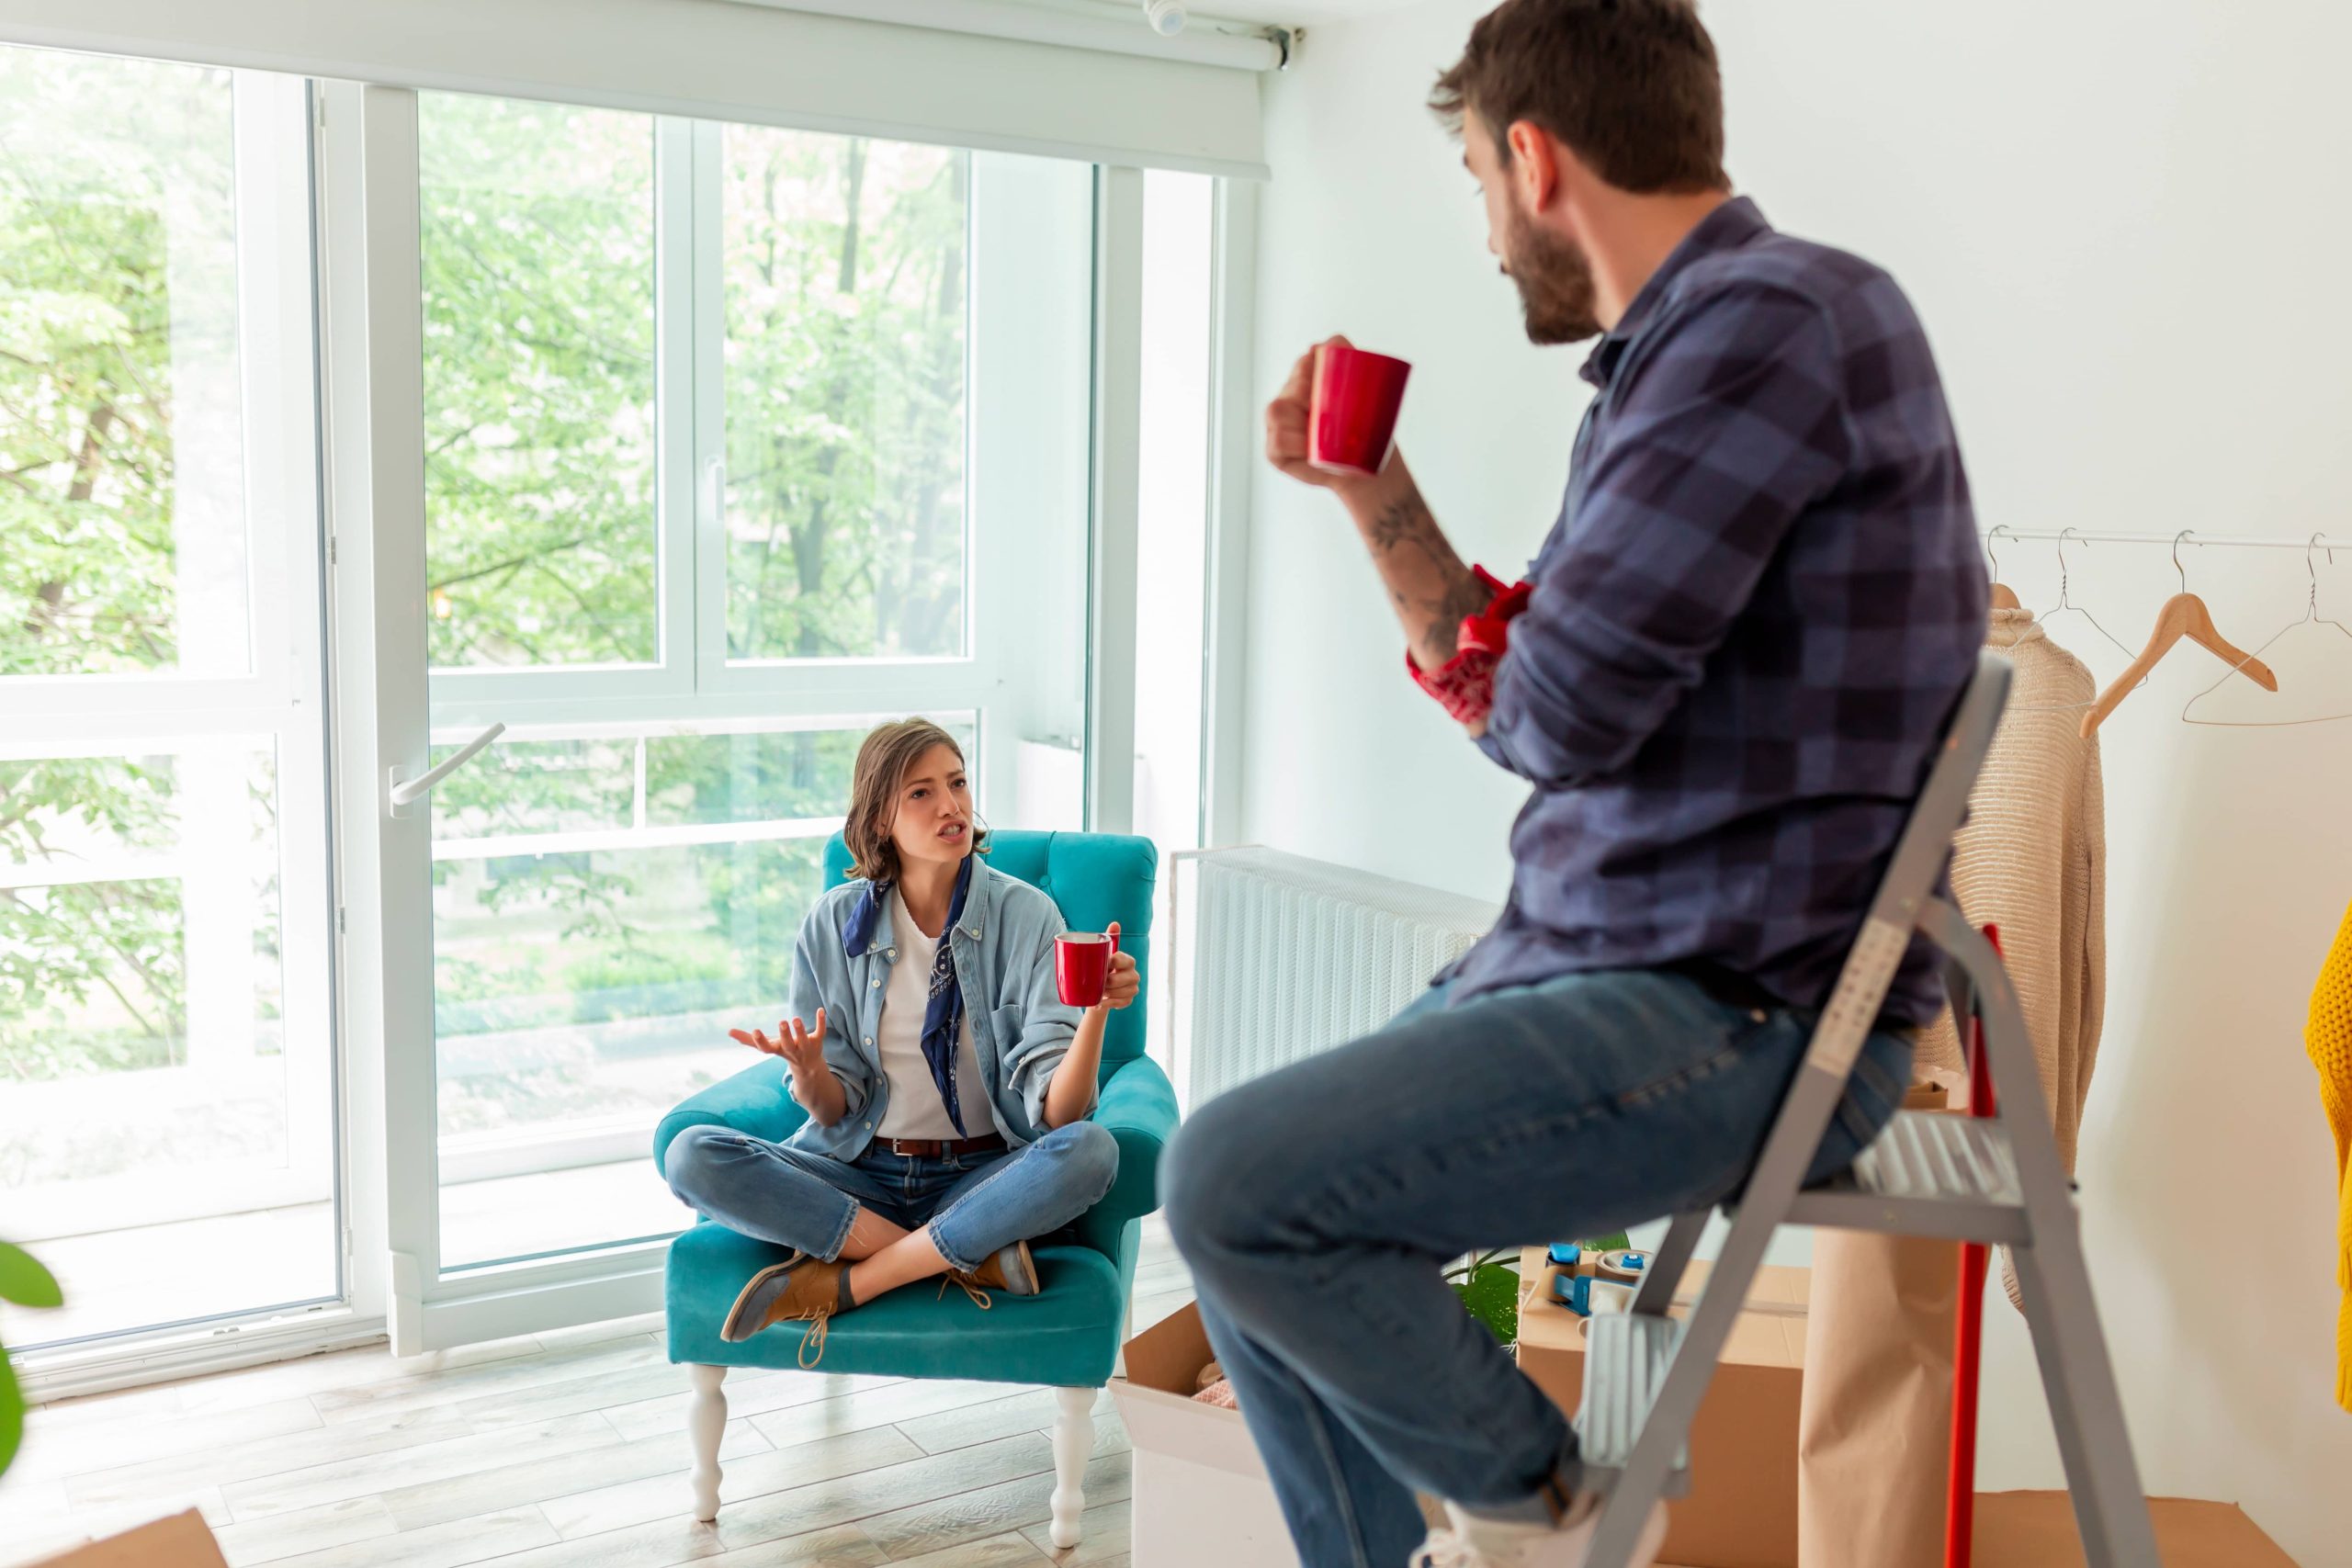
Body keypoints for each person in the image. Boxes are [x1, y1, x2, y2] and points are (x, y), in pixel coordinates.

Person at [1159, 2, 1986, 1565]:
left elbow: (1554, 706)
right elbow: (1532, 687)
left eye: (1474, 176)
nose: (1484, 229)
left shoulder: (1766, 326)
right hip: (1614, 971)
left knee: (1232, 1183)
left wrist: (1527, 651)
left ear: (1531, 158)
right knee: (1252, 1248)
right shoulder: (1689, 358)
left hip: (1736, 1003)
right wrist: (1373, 492)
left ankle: (1549, 1521)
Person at [663, 718, 1134, 1364]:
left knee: (1090, 1150)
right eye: (921, 792)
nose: (951, 805)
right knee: (691, 1154)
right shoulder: (833, 921)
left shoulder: (1028, 916)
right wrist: (807, 1073)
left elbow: (1058, 1115)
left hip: (982, 1176)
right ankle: (962, 1255)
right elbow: (833, 1110)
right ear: (880, 815)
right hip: (861, 1173)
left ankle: (856, 1278)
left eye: (958, 782)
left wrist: (1097, 1013)